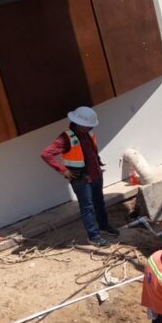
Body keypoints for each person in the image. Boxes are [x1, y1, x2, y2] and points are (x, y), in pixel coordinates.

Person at [40, 106, 118, 247]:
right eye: (87, 125)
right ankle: (93, 236)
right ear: (79, 123)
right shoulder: (66, 138)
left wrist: (98, 166)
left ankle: (104, 226)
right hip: (81, 180)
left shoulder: (89, 134)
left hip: (95, 175)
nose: (90, 128)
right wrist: (63, 170)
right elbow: (46, 154)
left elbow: (92, 152)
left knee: (99, 202)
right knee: (87, 207)